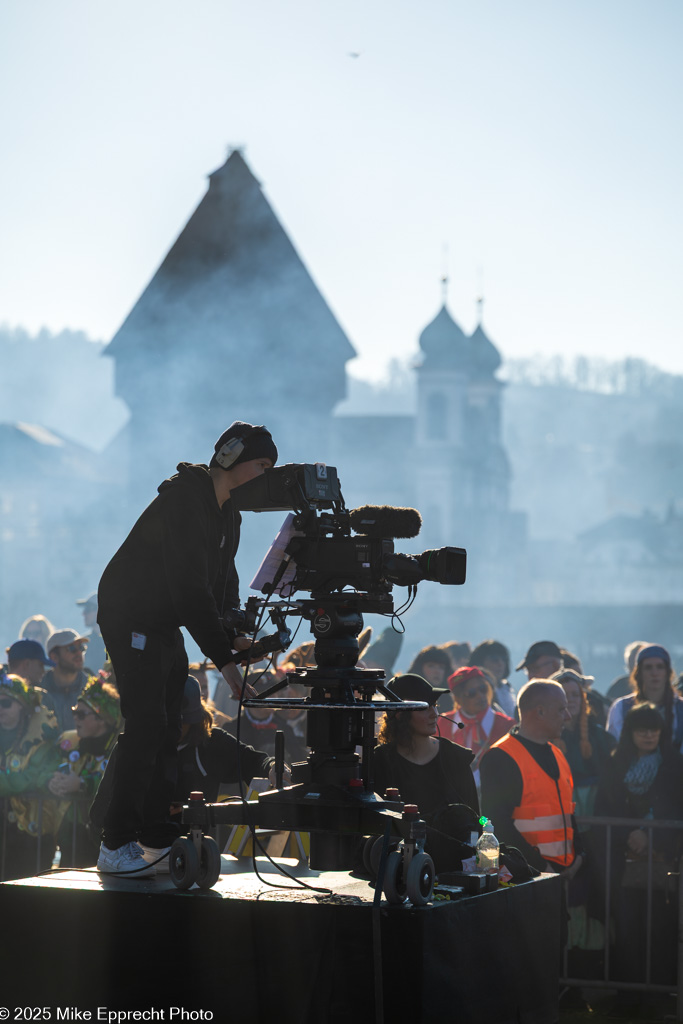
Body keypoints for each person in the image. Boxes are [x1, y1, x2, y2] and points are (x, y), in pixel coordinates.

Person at [95, 421, 278, 876]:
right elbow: (190, 590)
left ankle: (155, 838)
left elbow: (223, 585)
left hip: (162, 622)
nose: (265, 474)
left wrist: (235, 630)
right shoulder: (184, 497)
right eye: (262, 464)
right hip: (130, 615)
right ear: (232, 457)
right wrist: (226, 661)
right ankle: (115, 844)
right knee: (146, 724)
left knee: (168, 725)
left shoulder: (228, 513)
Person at [595, 703, 683, 990]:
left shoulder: (674, 765)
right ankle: (628, 993)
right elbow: (603, 809)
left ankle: (660, 991)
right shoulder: (613, 763)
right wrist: (630, 834)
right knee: (627, 926)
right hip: (622, 859)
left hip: (663, 860)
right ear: (630, 732)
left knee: (662, 926)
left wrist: (651, 836)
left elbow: (677, 810)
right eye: (642, 729)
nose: (648, 735)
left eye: (654, 729)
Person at [374, 673, 479, 870]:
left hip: (454, 870)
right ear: (400, 713)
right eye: (424, 707)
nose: (434, 714)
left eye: (435, 706)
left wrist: (486, 830)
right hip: (399, 871)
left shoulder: (456, 758)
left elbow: (476, 816)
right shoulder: (380, 761)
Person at [479, 680, 582, 879]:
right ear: (540, 712)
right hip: (524, 879)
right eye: (562, 709)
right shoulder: (500, 757)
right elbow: (497, 824)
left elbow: (567, 813)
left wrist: (579, 856)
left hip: (558, 875)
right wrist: (540, 867)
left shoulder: (558, 754)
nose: (568, 716)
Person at [48, 680, 122, 867]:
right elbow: (44, 768)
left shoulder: (119, 747)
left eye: (81, 714)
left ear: (102, 718)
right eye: (74, 712)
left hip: (101, 841)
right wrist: (51, 781)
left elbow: (118, 783)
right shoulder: (68, 740)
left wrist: (82, 784)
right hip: (68, 838)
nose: (75, 718)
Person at [0, 674, 62, 880]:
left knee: (24, 904)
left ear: (22, 706)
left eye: (6, 703)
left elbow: (28, 779)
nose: (0, 709)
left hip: (30, 838)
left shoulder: (41, 738)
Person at [437, 666, 513, 789]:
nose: (480, 696)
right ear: (458, 698)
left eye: (483, 689)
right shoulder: (442, 722)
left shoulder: (507, 725)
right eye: (471, 693)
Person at [606, 644, 683, 749]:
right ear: (639, 673)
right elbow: (614, 747)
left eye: (660, 667)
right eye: (648, 667)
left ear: (667, 673)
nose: (654, 673)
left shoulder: (680, 708)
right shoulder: (621, 708)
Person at [42, 629, 93, 731]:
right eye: (72, 648)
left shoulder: (93, 689)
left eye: (81, 647)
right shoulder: (39, 693)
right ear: (54, 657)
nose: (79, 653)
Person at [468, 639, 516, 717]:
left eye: (504, 659)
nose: (500, 664)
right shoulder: (475, 690)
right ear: (480, 662)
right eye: (494, 659)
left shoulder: (506, 688)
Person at [76, 592, 107, 676]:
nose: (84, 613)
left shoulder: (115, 640)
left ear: (100, 610)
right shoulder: (83, 642)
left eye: (88, 609)